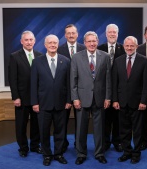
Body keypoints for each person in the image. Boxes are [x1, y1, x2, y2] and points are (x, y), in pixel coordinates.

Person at [70, 31, 111, 165]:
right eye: (89, 41)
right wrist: (75, 98)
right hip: (82, 98)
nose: (92, 44)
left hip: (99, 98)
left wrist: (108, 97)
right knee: (81, 128)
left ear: (97, 42)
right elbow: (73, 80)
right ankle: (81, 154)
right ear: (85, 43)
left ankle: (99, 153)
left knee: (99, 129)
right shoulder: (76, 57)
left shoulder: (105, 56)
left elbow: (108, 79)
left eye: (94, 41)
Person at [30, 34, 71, 166]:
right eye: (50, 43)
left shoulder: (65, 61)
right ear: (45, 45)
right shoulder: (37, 62)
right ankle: (47, 155)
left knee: (60, 131)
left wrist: (69, 100)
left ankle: (58, 154)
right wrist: (34, 102)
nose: (53, 45)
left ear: (58, 44)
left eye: (55, 43)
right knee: (44, 131)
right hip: (43, 104)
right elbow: (33, 84)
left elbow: (68, 83)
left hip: (61, 103)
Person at [112, 36, 147, 164]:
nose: (129, 48)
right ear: (124, 46)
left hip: (138, 103)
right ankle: (127, 151)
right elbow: (115, 83)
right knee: (124, 129)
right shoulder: (118, 61)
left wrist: (144, 101)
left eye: (132, 46)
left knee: (138, 130)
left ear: (136, 47)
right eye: (127, 46)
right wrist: (115, 100)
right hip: (122, 102)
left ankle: (136, 153)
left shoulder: (144, 61)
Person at [8, 30, 42, 157]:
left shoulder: (40, 55)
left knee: (36, 124)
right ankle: (23, 148)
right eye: (26, 40)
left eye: (31, 40)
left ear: (34, 41)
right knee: (21, 125)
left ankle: (35, 145)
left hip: (37, 98)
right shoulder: (15, 56)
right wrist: (15, 97)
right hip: (21, 98)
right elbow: (12, 78)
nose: (29, 42)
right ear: (21, 42)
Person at [58, 24, 86, 152]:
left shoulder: (84, 48)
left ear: (77, 34)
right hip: (63, 92)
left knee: (80, 122)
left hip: (81, 92)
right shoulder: (58, 49)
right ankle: (62, 144)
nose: (71, 35)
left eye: (73, 33)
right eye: (68, 33)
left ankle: (78, 144)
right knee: (62, 121)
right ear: (65, 35)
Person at [97, 23, 125, 152]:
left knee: (118, 119)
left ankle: (117, 141)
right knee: (105, 119)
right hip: (103, 91)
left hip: (119, 90)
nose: (112, 34)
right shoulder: (99, 48)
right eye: (110, 32)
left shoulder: (124, 48)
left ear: (117, 34)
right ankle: (106, 142)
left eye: (115, 32)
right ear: (106, 34)